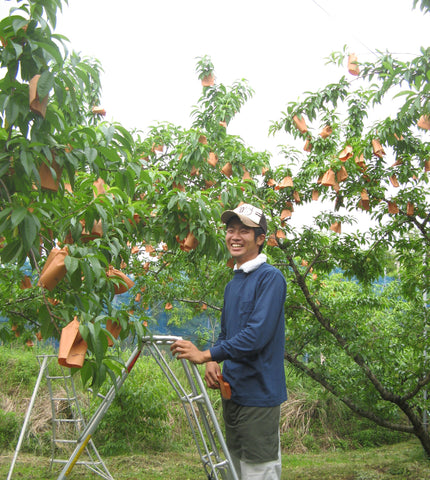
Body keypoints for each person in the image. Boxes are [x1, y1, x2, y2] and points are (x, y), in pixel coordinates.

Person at [170, 203, 287, 480]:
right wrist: (215, 359)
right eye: (231, 229)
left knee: (259, 469)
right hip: (233, 390)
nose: (235, 236)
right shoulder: (233, 283)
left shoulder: (270, 278)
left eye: (244, 231)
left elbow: (256, 336)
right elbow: (228, 331)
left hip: (259, 394)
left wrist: (205, 354)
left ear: (260, 239)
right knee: (234, 467)